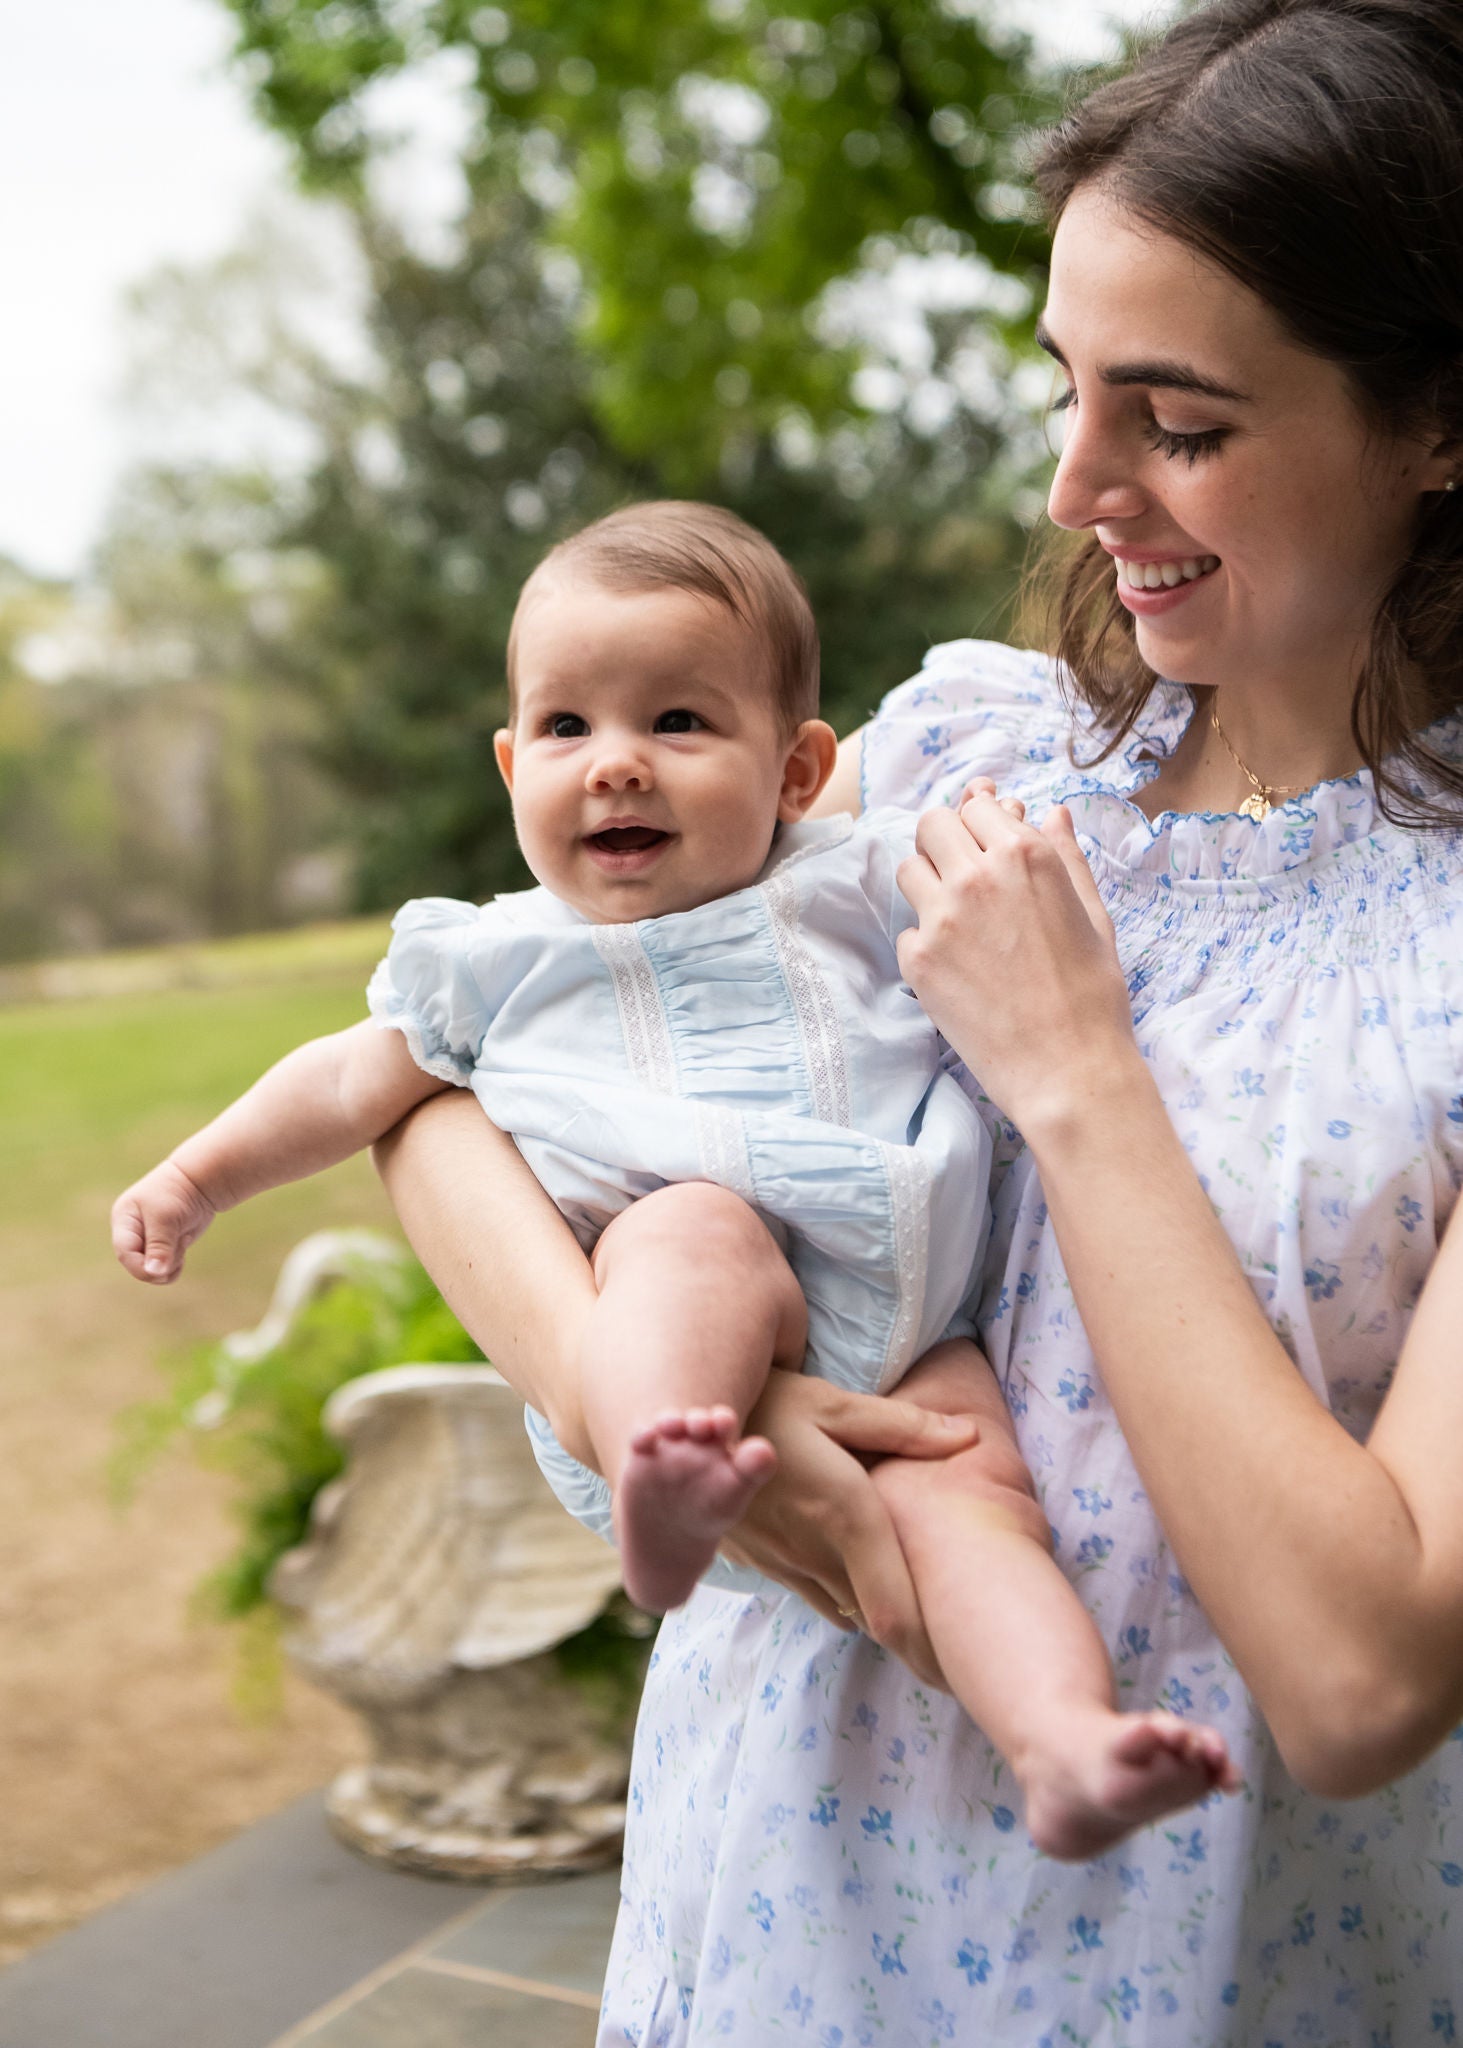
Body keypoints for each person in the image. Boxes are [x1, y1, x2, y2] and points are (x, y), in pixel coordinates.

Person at [370, 0, 1463, 2040]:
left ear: (1438, 421)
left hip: (1214, 1961)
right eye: (1067, 388)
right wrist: (702, 1431)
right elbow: (448, 1089)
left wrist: (1072, 1073)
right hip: (787, 1900)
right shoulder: (969, 753)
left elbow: (1363, 1677)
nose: (1077, 485)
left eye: (1183, 423)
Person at [110, 499, 1234, 1861]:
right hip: (687, 1303)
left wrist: (1006, 847)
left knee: (976, 1498)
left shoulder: (858, 878)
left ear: (800, 768)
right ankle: (662, 1473)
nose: (617, 767)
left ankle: (1063, 1743)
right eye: (569, 729)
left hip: (916, 1321)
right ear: (512, 759)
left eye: (679, 725)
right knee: (695, 1232)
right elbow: (349, 1087)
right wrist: (196, 1177)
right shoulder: (497, 955)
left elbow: (1008, 917)